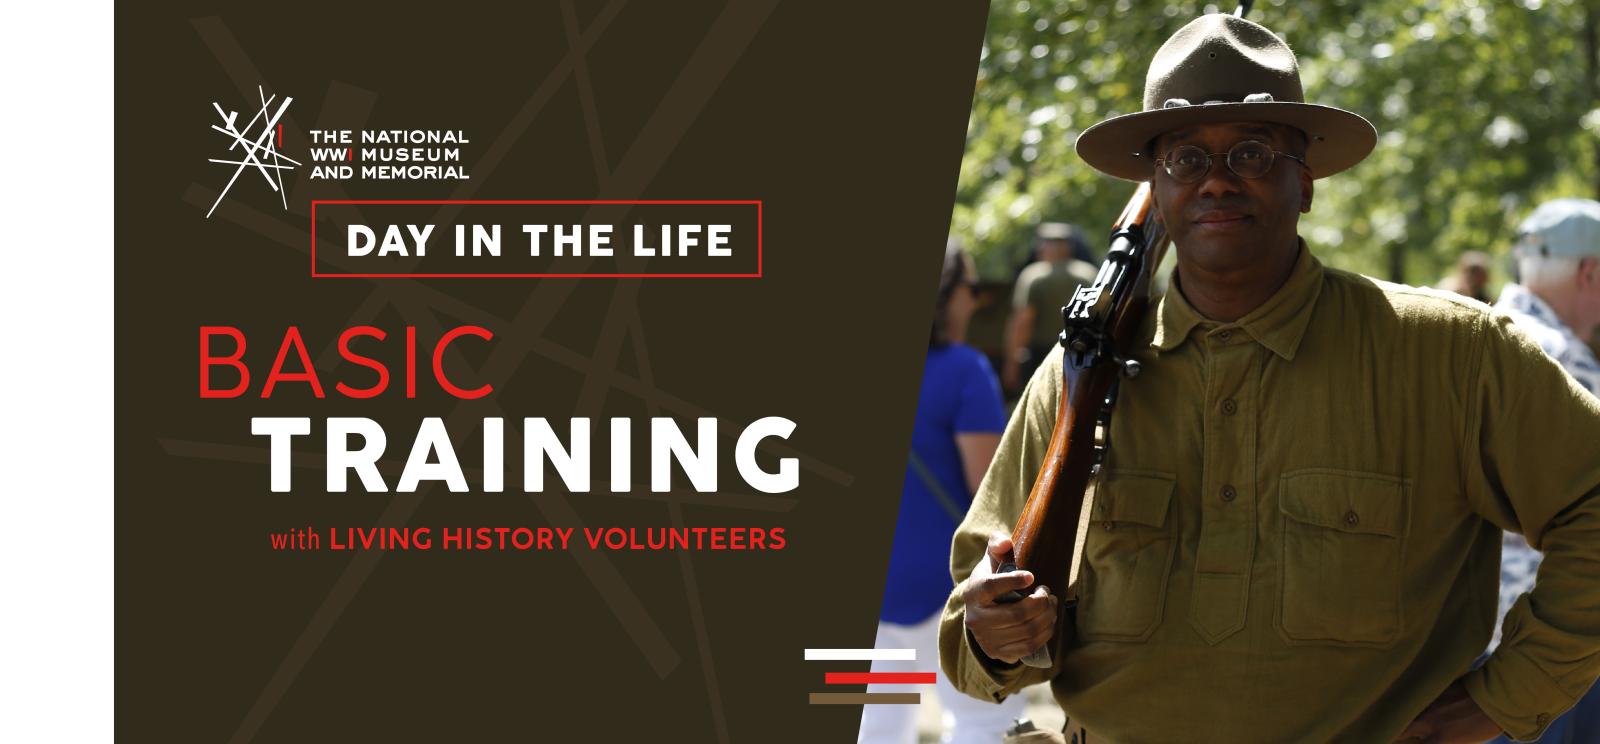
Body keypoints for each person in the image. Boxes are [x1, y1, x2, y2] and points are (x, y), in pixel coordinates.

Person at [938, 13, 1600, 744]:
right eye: (1186, 160)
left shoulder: (1453, 354)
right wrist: (992, 632)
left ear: (1306, 182)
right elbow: (974, 624)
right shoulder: (1078, 379)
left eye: (1251, 154)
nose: (1217, 182)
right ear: (1154, 191)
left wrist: (1504, 698)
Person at [860, 241, 1025, 744]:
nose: (975, 302)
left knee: (874, 729)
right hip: (949, 585)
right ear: (944, 296)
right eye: (971, 290)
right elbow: (988, 492)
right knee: (985, 723)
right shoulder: (965, 370)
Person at [1482, 198, 1600, 744]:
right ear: (1590, 272)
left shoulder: (1476, 339)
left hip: (1478, 655)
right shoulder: (1565, 364)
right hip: (1549, 662)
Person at [1003, 223, 1100, 393]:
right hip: (1081, 353)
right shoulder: (1089, 274)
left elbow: (1023, 321)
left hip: (1042, 356)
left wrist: (1012, 363)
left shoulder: (1033, 276)